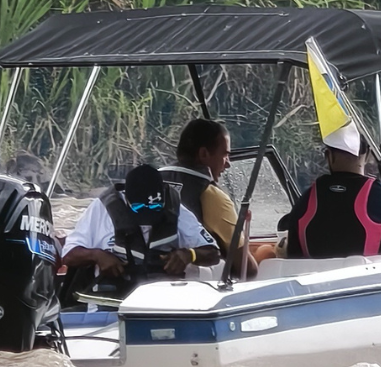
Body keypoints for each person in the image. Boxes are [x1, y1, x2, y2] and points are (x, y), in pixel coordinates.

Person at [61, 164, 219, 299]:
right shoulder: (101, 208)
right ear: (126, 198)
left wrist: (189, 254)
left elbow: (213, 254)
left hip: (164, 303)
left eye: (155, 207)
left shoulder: (176, 209)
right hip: (110, 304)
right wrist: (97, 255)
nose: (147, 213)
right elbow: (69, 255)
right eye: (139, 208)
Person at [284, 124, 381, 260]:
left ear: (328, 156)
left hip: (316, 281)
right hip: (371, 280)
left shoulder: (305, 200)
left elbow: (293, 256)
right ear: (367, 155)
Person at [159, 118, 259, 277]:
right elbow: (247, 269)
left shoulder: (153, 182)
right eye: (225, 155)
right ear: (204, 154)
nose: (228, 164)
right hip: (197, 283)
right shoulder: (212, 196)